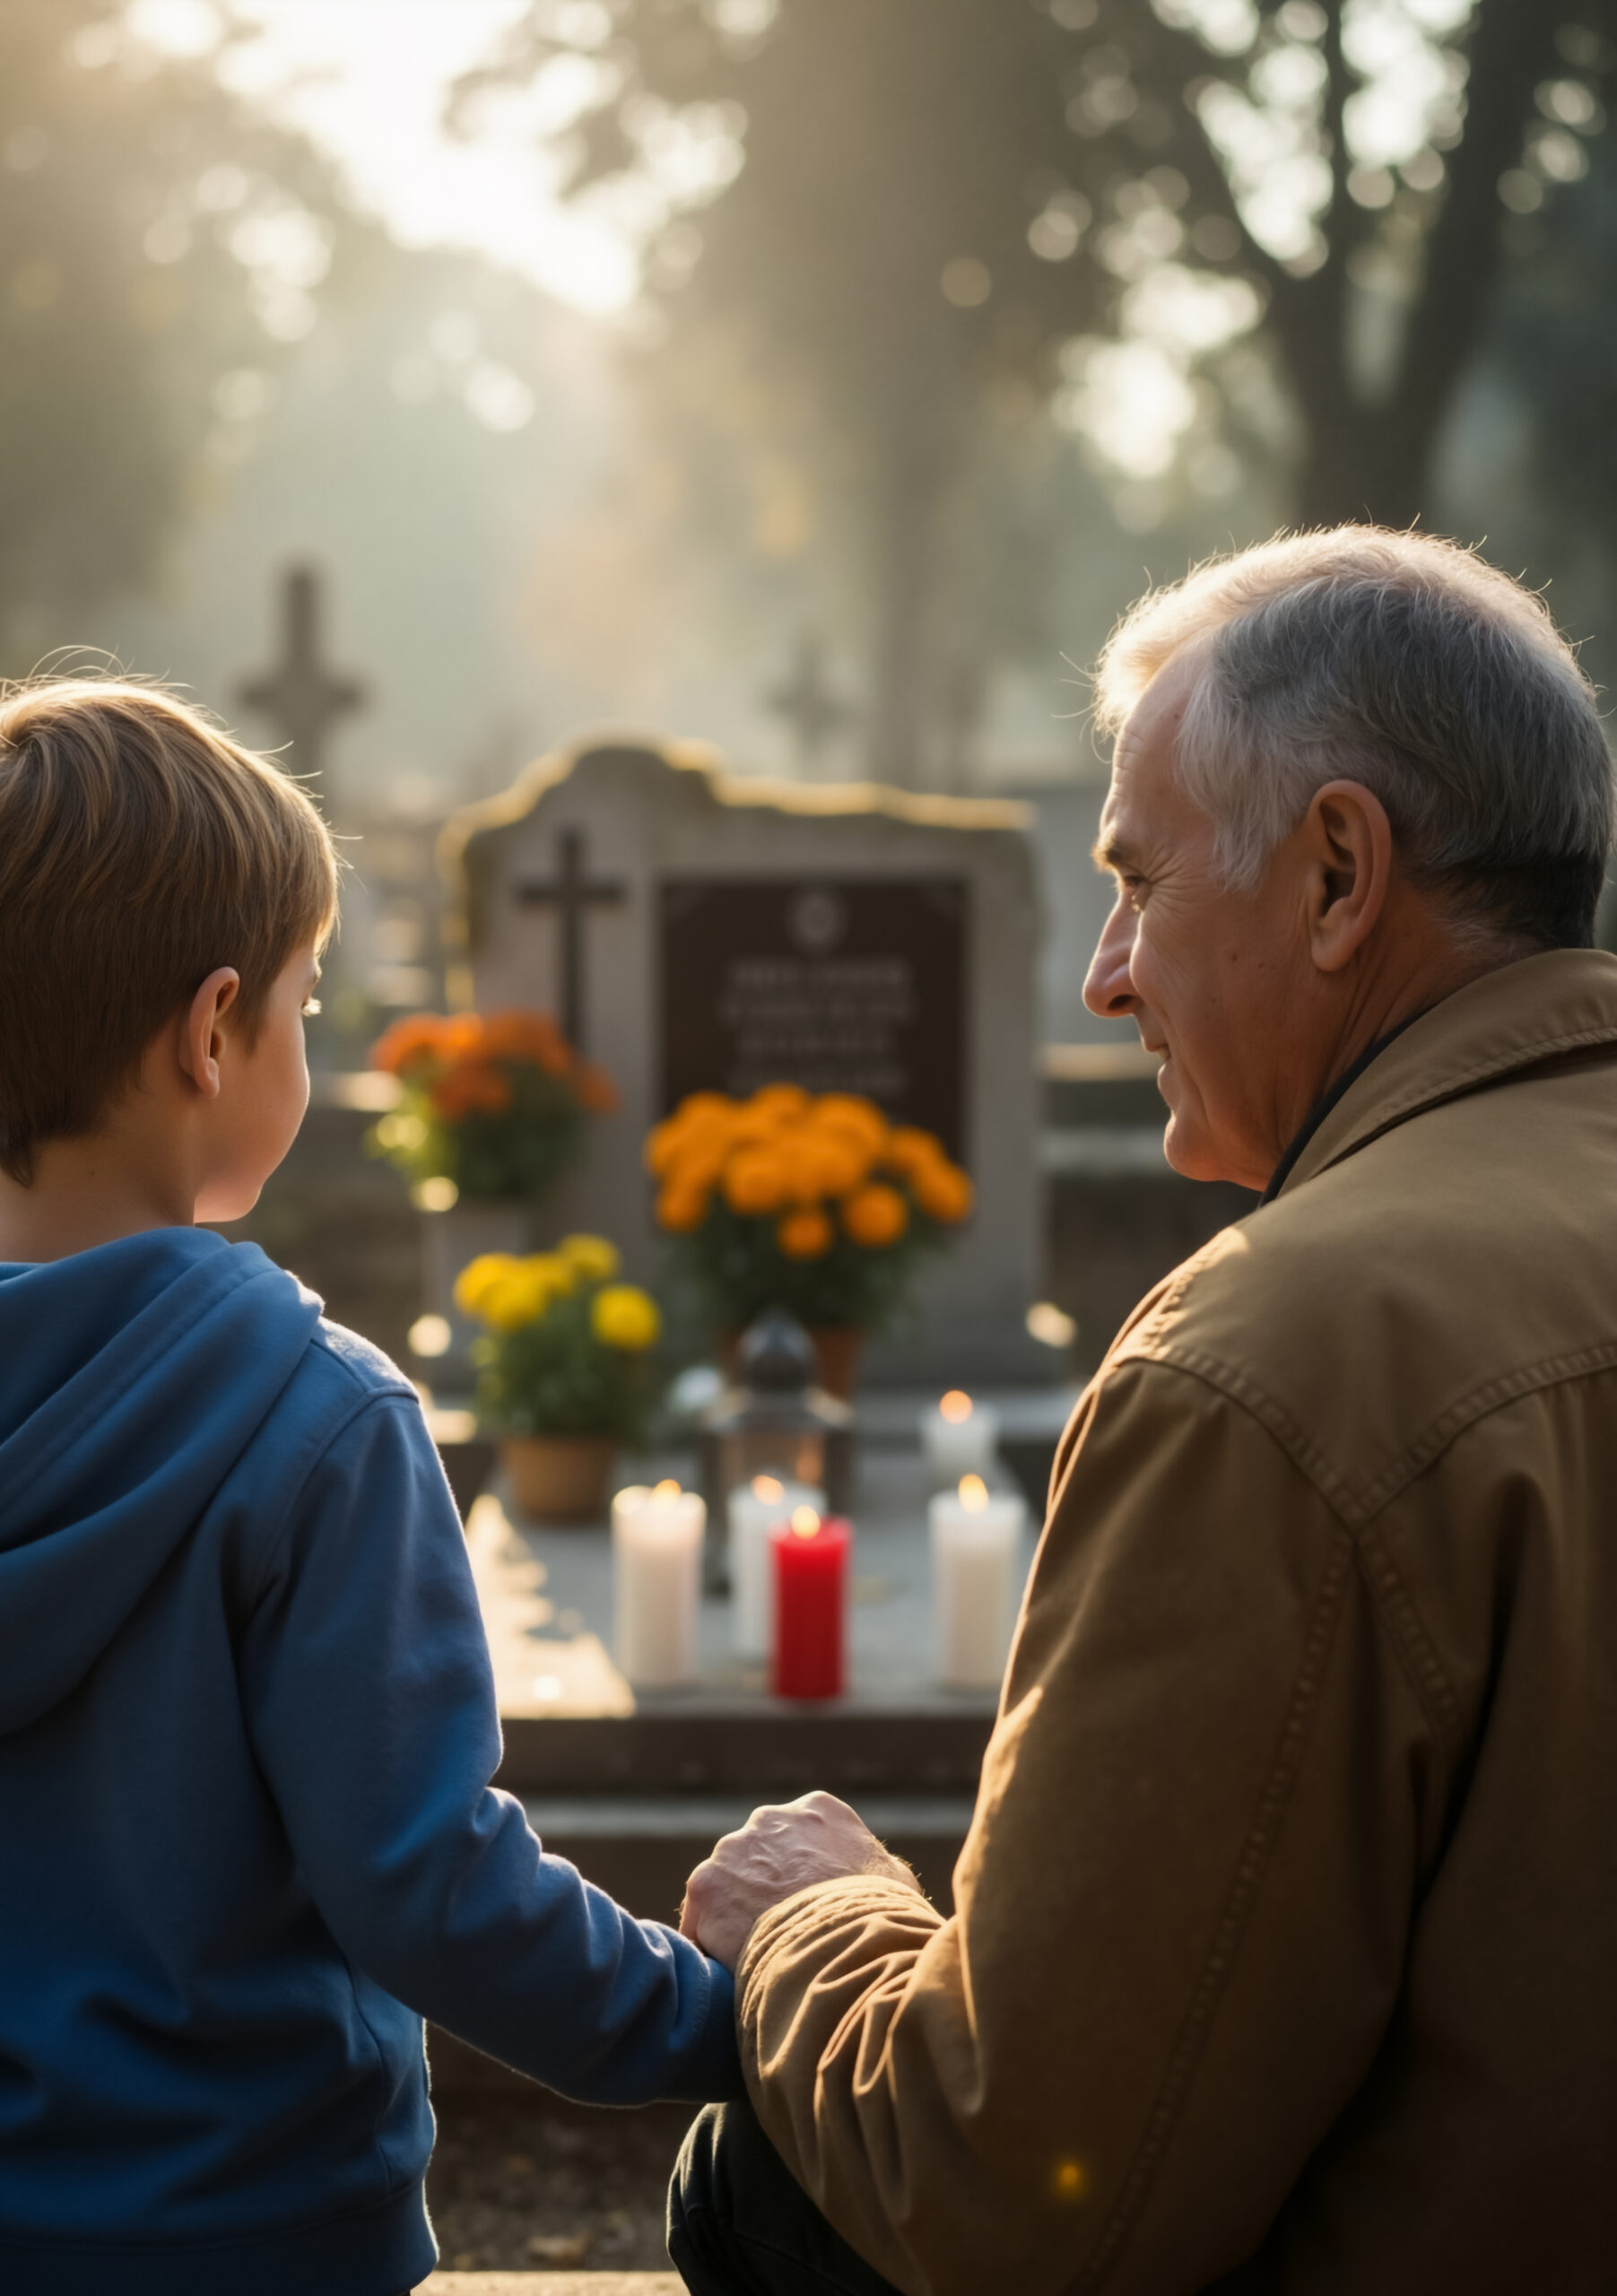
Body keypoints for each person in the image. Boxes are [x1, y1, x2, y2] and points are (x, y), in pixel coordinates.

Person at [668, 527, 1617, 2295]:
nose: (1106, 974)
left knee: (767, 2172)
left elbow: (1019, 2189)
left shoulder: (1282, 1350)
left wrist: (813, 1920)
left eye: (1137, 883)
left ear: (1336, 873)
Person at [0, 679, 742, 2296]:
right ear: (211, 1034)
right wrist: (724, 2011)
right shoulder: (311, 1420)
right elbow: (434, 1893)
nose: (312, 1039)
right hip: (256, 2239)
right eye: (307, 1004)